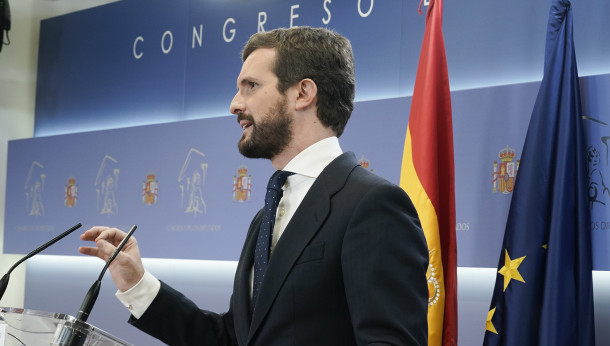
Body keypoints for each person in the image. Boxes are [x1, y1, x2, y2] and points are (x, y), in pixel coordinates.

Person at [79, 26, 429, 346]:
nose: (235, 104)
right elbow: (234, 339)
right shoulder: (267, 215)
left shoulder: (373, 205)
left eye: (251, 86)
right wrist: (137, 284)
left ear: (303, 93)